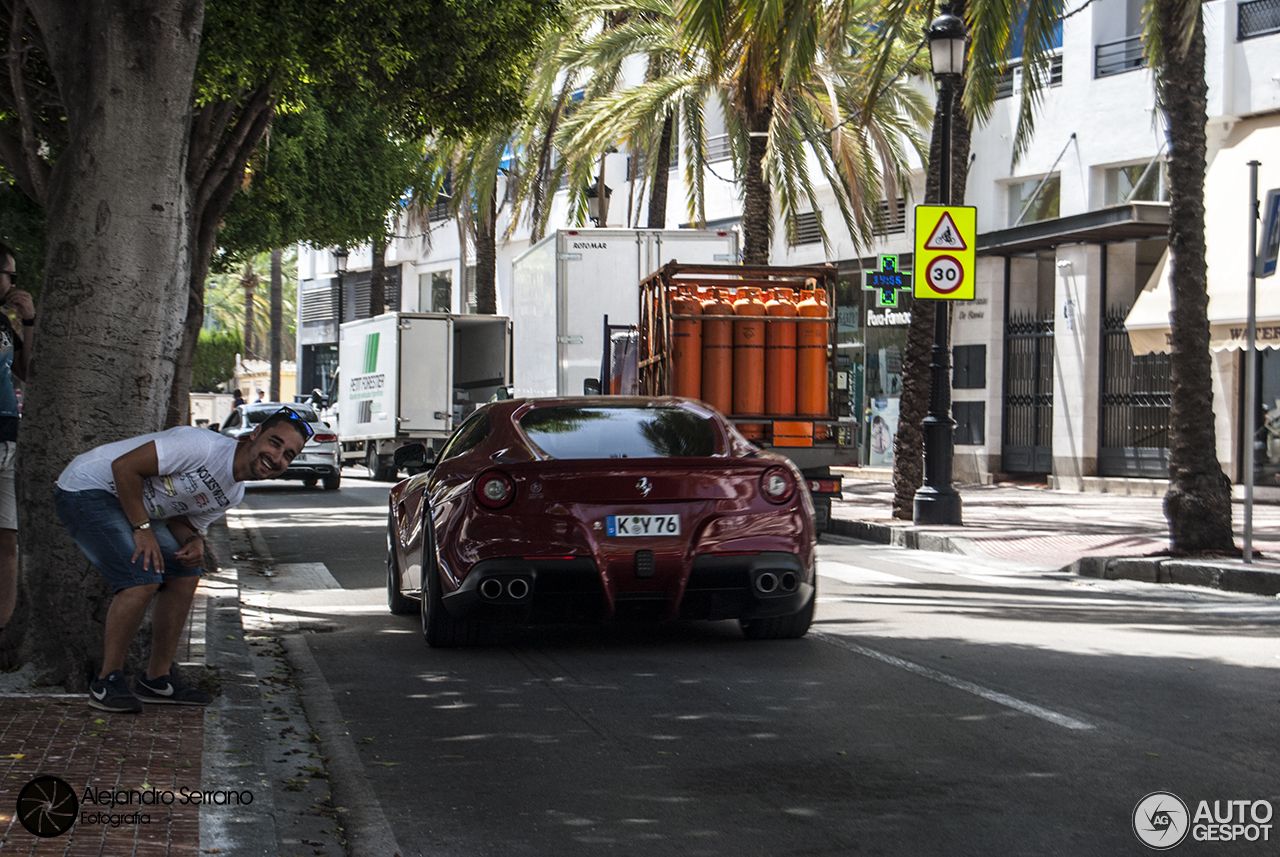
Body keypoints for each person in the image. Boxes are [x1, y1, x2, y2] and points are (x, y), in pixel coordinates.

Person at [54, 408, 311, 713]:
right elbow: (124, 468)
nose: (277, 457)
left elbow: (181, 520)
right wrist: (142, 529)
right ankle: (106, 681)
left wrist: (193, 541)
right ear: (254, 434)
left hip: (135, 510)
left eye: (289, 455)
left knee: (186, 571)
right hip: (88, 489)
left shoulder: (233, 492)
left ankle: (157, 679)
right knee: (144, 574)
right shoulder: (202, 446)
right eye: (275, 442)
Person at [0, 242, 34, 637]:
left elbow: (28, 371)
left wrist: (28, 321)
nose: (13, 283)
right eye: (10, 274)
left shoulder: (4, 323)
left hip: (10, 436)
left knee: (7, 539)